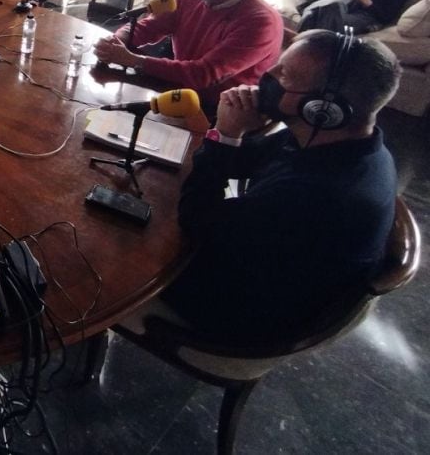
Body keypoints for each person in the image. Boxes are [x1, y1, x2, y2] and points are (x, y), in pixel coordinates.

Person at [154, 29, 402, 343]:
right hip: (260, 266)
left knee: (119, 239)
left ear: (324, 108)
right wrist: (241, 133)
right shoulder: (334, 138)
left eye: (283, 74)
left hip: (238, 313)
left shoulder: (321, 195)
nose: (267, 75)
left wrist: (226, 135)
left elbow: (196, 219)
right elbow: (244, 163)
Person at [93, 0, 283, 106]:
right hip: (177, 90)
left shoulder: (260, 22)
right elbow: (150, 27)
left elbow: (204, 74)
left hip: (218, 111)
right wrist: (118, 40)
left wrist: (133, 60)